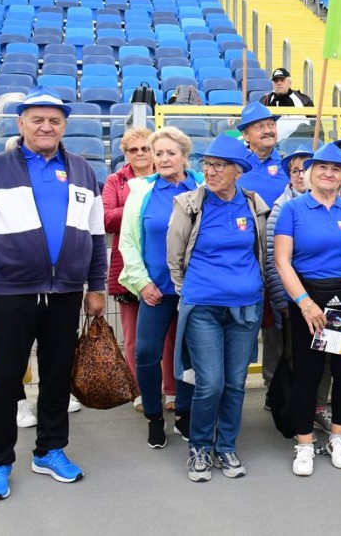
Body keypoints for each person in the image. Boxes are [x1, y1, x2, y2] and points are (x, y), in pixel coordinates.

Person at [0, 86, 106, 501]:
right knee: (4, 380)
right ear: (21, 123)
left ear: (64, 126)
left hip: (66, 294)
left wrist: (96, 286)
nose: (46, 126)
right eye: (37, 119)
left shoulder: (82, 170)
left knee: (57, 376)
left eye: (54, 120)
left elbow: (96, 237)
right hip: (12, 294)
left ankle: (49, 450)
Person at [166, 135, 269, 482]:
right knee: (210, 383)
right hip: (203, 307)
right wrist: (190, 292)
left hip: (246, 307)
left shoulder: (253, 204)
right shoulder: (189, 205)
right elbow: (174, 257)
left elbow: (261, 250)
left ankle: (226, 446)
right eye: (207, 164)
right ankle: (199, 447)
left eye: (219, 165)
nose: (210, 171)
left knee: (236, 383)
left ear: (238, 171)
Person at [274, 143, 341, 476]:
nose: (329, 173)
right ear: (309, 173)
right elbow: (282, 261)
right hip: (307, 299)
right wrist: (305, 304)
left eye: (336, 169)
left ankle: (338, 437)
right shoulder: (292, 209)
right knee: (308, 373)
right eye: (322, 168)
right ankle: (304, 442)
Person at [119, 126, 201, 449]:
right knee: (146, 353)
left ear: (184, 156)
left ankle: (185, 413)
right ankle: (154, 417)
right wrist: (142, 283)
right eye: (159, 153)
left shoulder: (202, 188)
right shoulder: (141, 192)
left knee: (191, 354)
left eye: (170, 153)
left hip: (194, 291)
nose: (163, 159)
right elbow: (128, 241)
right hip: (155, 291)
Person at [102, 126, 169, 414]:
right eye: (133, 150)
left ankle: (171, 389)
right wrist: (138, 205)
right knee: (133, 336)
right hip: (127, 267)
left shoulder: (167, 177)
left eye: (145, 148)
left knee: (169, 334)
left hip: (163, 267)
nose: (140, 154)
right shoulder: (115, 181)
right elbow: (106, 219)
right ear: (125, 154)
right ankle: (140, 391)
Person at [264, 149, 313, 385]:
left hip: (321, 293)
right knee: (289, 355)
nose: (301, 175)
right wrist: (281, 300)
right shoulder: (281, 208)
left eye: (306, 170)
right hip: (291, 298)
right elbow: (272, 259)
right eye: (295, 171)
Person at [235, 102, 287, 207]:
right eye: (259, 127)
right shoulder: (234, 165)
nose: (267, 131)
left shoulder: (288, 164)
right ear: (246, 135)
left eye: (271, 125)